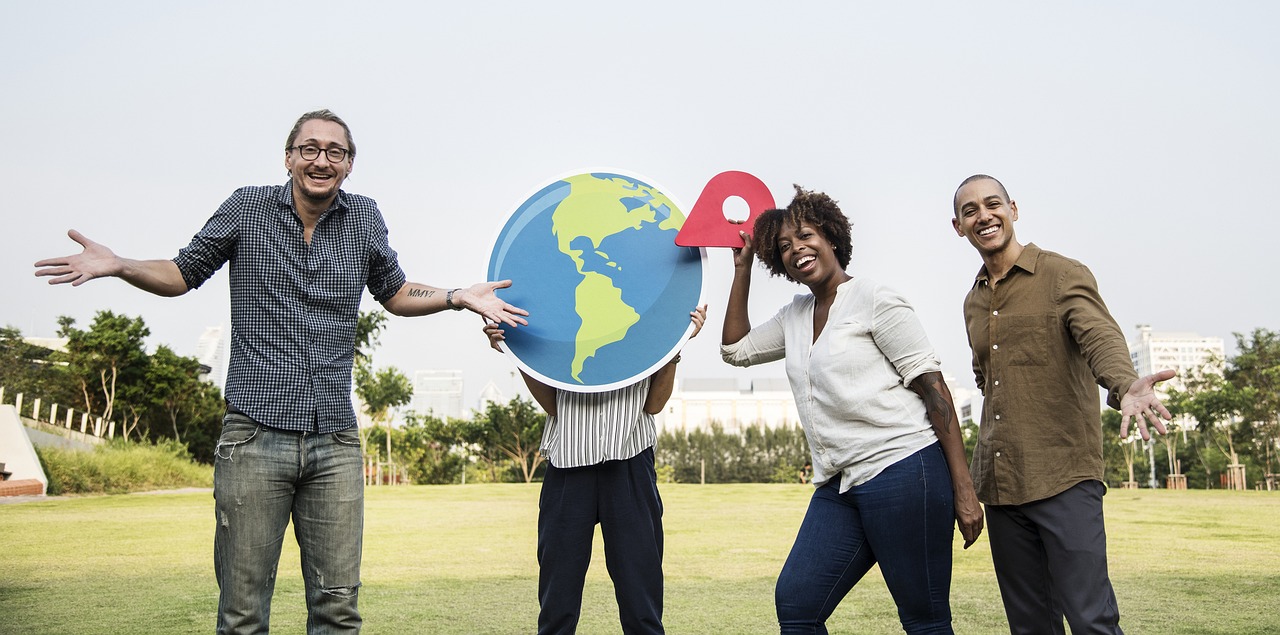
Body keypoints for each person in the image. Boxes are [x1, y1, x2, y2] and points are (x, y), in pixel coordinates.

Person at [34, 109, 528, 634]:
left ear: (349, 165)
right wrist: (120, 264)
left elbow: (396, 292)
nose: (321, 159)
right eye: (309, 148)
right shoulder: (247, 208)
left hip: (334, 441)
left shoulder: (364, 218)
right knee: (243, 614)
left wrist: (458, 296)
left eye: (335, 151)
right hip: (253, 438)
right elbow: (184, 272)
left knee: (338, 611)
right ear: (289, 157)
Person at [721, 186, 983, 635]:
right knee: (797, 604)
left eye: (805, 235)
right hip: (839, 484)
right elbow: (734, 349)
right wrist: (742, 268)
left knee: (924, 619)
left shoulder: (874, 298)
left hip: (904, 470)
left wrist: (964, 489)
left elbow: (934, 391)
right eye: (784, 246)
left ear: (830, 237)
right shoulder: (794, 316)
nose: (796, 249)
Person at [951, 174, 1174, 634]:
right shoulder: (972, 301)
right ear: (958, 226)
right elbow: (986, 380)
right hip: (1002, 485)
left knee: (1092, 620)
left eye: (993, 204)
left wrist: (1124, 383)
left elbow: (1099, 337)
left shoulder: (1061, 274)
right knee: (1030, 626)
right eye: (970, 210)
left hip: (1064, 476)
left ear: (1014, 209)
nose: (983, 215)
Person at [483, 304, 706, 635]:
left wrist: (675, 345)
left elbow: (654, 405)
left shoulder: (641, 320)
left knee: (641, 605)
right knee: (557, 607)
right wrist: (518, 352)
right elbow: (553, 405)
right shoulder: (562, 322)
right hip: (568, 462)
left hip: (630, 462)